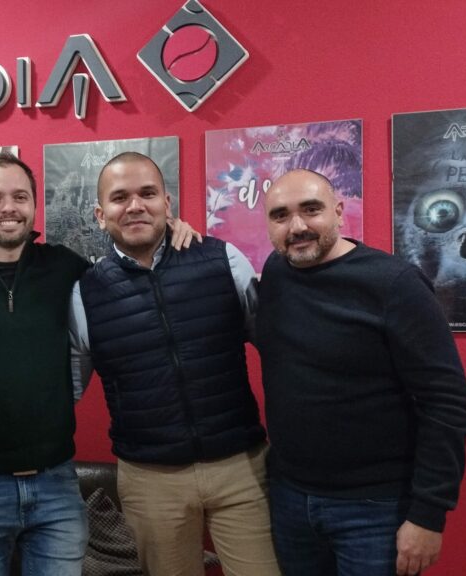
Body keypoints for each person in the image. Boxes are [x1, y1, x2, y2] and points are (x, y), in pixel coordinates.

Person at [0, 152, 200, 575]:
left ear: (34, 205)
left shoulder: (65, 268)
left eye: (20, 197)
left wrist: (174, 234)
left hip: (56, 484)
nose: (8, 208)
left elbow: (129, 266)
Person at [255, 169, 466, 576]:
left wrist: (428, 514)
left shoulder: (395, 284)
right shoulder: (276, 273)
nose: (297, 226)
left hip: (375, 508)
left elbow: (447, 403)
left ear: (339, 211)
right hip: (290, 499)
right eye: (280, 215)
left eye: (311, 209)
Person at [70, 152, 280, 576]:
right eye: (120, 197)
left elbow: (282, 350)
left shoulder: (223, 261)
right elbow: (67, 389)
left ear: (167, 203)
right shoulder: (84, 294)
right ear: (100, 214)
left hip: (241, 468)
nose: (135, 206)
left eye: (147, 194)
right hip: (151, 480)